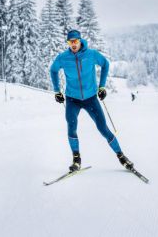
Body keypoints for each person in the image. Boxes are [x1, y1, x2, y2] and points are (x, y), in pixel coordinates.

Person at [50, 30, 134, 172]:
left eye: (75, 41)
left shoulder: (91, 54)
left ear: (80, 40)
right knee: (71, 126)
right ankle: (76, 159)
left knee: (103, 128)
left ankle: (121, 156)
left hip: (90, 99)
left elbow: (105, 64)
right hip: (72, 99)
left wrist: (101, 86)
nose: (73, 44)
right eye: (70, 42)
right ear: (68, 43)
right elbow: (53, 70)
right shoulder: (63, 58)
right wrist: (57, 90)